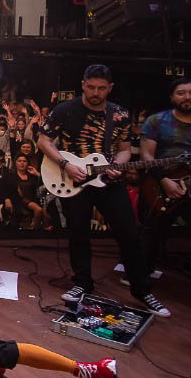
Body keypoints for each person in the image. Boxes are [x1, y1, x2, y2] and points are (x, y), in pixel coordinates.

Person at [38, 64, 168, 317]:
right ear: (83, 84)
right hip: (73, 180)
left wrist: (118, 165)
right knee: (79, 234)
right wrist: (66, 164)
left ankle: (142, 289)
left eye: (101, 88)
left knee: (129, 233)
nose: (96, 93)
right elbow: (43, 141)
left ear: (110, 88)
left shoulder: (119, 115)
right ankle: (82, 283)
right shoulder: (65, 110)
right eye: (91, 87)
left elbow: (124, 147)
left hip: (108, 182)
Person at [138, 77, 191, 323]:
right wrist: (164, 180)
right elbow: (147, 155)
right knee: (150, 237)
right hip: (162, 186)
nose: (187, 97)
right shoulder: (157, 121)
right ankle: (140, 284)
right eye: (181, 93)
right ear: (172, 96)